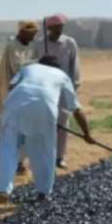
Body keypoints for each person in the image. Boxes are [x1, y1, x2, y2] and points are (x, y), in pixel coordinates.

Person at [0, 56, 95, 204]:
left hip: (16, 103)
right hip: (46, 108)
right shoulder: (62, 75)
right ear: (57, 67)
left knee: (8, 147)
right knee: (45, 151)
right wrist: (87, 134)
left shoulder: (28, 68)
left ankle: (2, 190)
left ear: (40, 63)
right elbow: (76, 109)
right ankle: (43, 193)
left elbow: (12, 87)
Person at [34, 13, 81, 169]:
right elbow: (33, 64)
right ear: (49, 28)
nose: (59, 30)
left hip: (63, 88)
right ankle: (44, 154)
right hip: (44, 88)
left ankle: (60, 156)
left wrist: (73, 86)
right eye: (56, 28)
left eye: (61, 27)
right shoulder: (40, 44)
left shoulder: (70, 43)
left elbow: (75, 65)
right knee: (44, 121)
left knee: (62, 121)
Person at [0, 20, 39, 174]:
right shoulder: (13, 46)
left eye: (33, 35)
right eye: (29, 35)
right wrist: (40, 63)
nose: (32, 38)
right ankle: (15, 163)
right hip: (12, 94)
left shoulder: (29, 45)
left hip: (24, 93)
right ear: (21, 33)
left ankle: (20, 162)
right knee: (14, 130)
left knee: (24, 130)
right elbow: (18, 67)